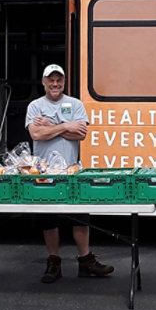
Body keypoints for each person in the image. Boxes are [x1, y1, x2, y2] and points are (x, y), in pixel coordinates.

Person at [25, 64, 114, 284]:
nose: (55, 84)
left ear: (64, 82)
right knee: (48, 218)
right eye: (51, 80)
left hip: (72, 169)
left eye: (59, 80)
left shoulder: (75, 104)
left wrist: (52, 125)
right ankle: (54, 262)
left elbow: (81, 133)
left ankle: (86, 261)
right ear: (44, 82)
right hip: (43, 171)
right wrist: (66, 126)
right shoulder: (35, 106)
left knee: (80, 216)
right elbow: (36, 133)